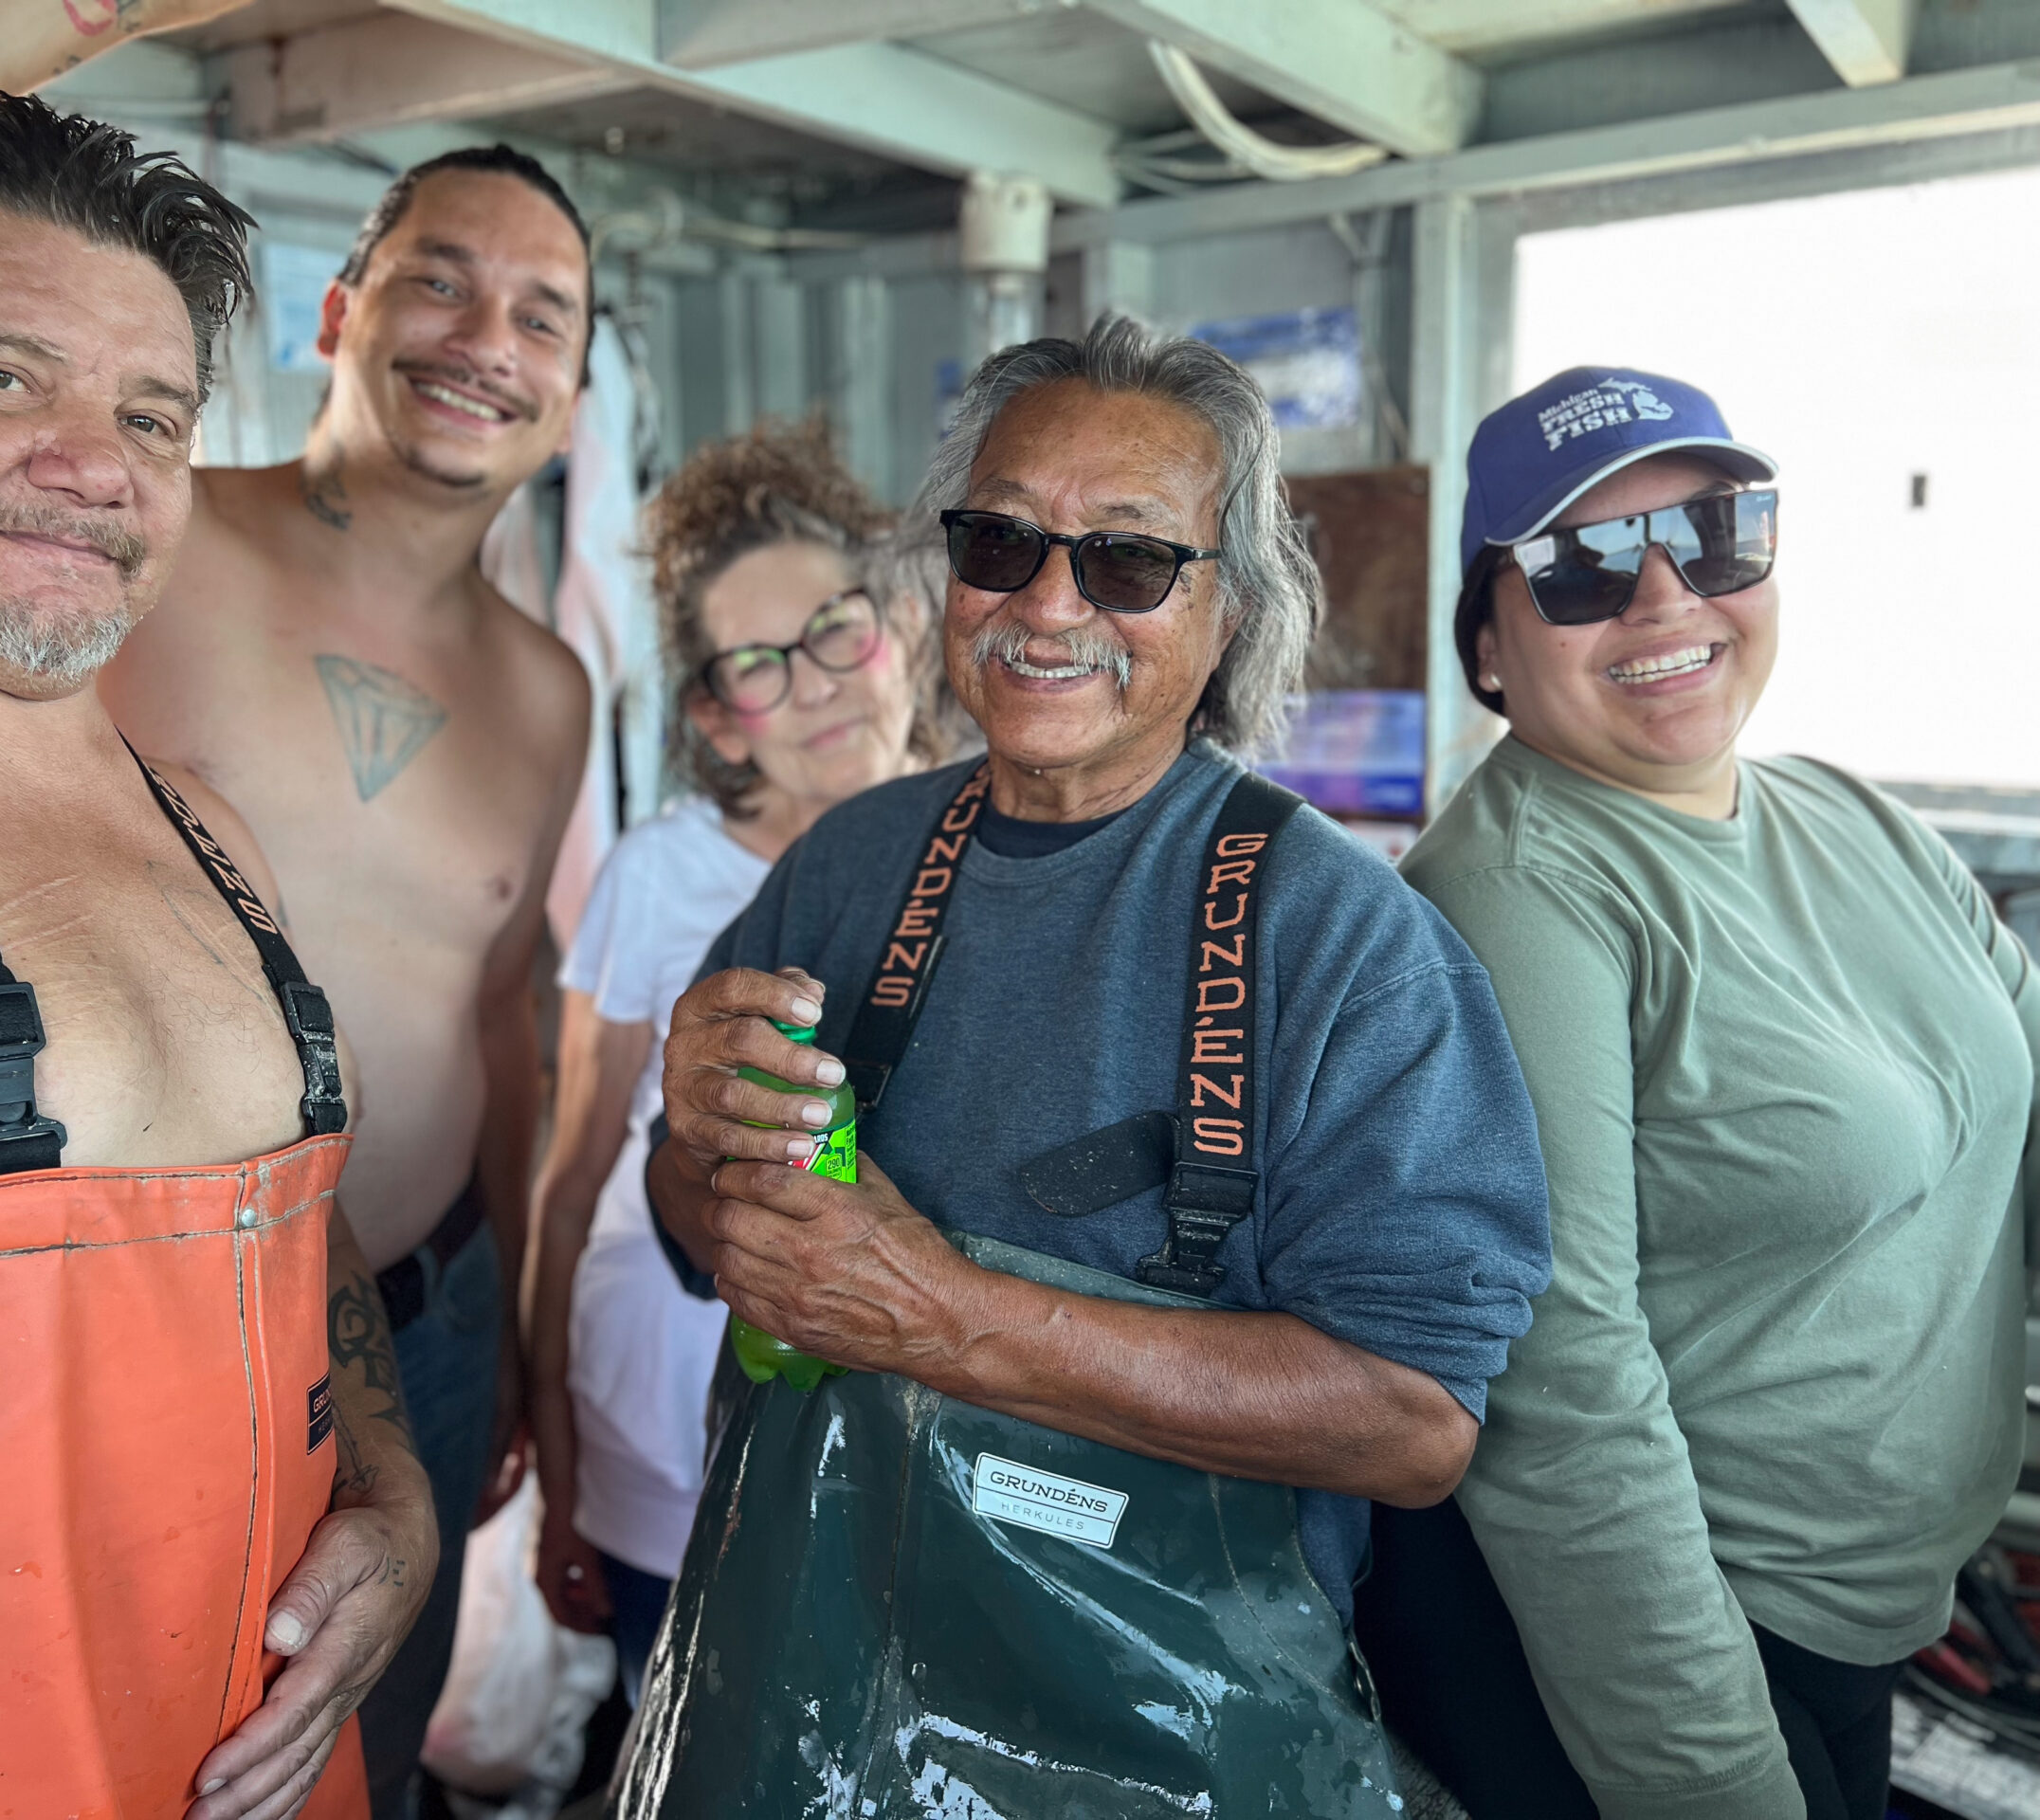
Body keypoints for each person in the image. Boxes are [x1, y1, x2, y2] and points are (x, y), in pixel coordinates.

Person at [0, 8, 594, 1809]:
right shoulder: (136, 538)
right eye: (440, 281)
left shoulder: (550, 687)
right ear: (342, 310)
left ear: (576, 384)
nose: (486, 340)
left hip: (400, 1316)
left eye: (541, 314)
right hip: (35, 1361)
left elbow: (510, 1020)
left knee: (338, 1750)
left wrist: (508, 1380)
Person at [609, 316, 1555, 1818]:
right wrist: (695, 1135)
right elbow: (688, 1218)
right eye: (1001, 542)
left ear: (1230, 610)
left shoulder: (1349, 944)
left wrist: (945, 1318)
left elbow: (1413, 1421)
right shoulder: (851, 865)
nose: (1048, 604)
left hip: (1170, 1740)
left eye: (1127, 560)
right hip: (811, 1683)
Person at [1357, 367, 2040, 1820]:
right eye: (1587, 566)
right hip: (1659, 1645)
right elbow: (1563, 1394)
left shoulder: (1851, 818)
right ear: (1488, 645)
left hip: (1857, 1617)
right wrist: (1714, 1781)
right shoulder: (1519, 896)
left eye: (1718, 535)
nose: (1666, 600)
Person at [526, 421, 943, 1706]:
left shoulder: (1002, 847)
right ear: (714, 712)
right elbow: (577, 1174)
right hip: (663, 1445)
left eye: (835, 631)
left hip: (927, 1457)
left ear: (901, 631)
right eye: (758, 666)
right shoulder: (662, 879)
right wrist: (554, 1467)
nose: (814, 686)